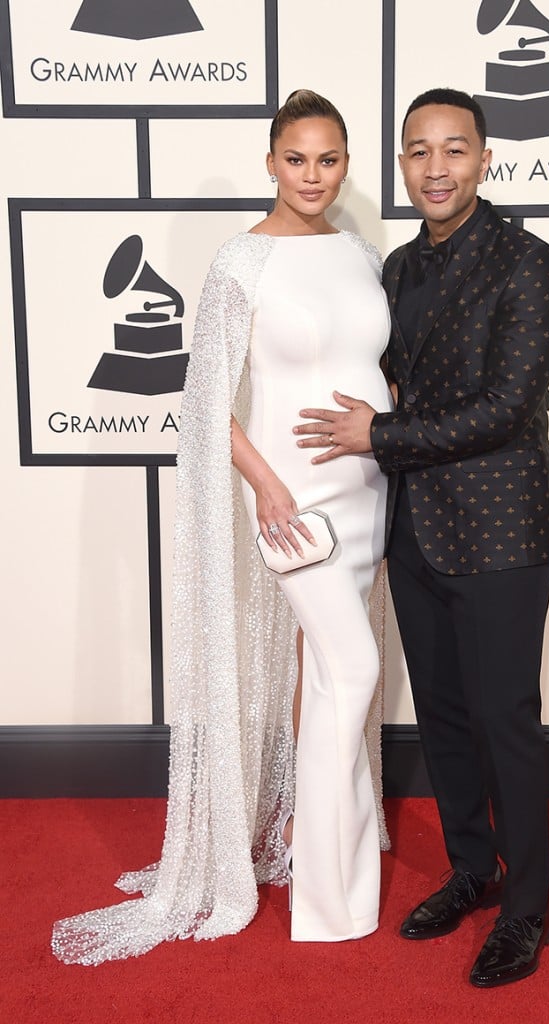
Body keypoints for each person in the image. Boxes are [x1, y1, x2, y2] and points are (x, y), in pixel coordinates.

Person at [52, 90, 393, 964]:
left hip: (368, 490)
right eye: (296, 159)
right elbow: (204, 399)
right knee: (353, 669)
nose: (312, 176)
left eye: (328, 160)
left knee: (330, 674)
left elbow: (373, 362)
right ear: (270, 162)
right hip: (293, 497)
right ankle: (331, 895)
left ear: (345, 165)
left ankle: (318, 847)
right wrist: (266, 487)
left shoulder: (359, 254)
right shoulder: (242, 260)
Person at [293, 87, 549, 987]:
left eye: (455, 149)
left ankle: (526, 911)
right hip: (414, 527)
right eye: (419, 151)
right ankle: (471, 872)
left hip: (501, 533)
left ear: (485, 159)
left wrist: (377, 434)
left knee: (505, 721)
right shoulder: (399, 269)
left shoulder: (531, 263)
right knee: (443, 717)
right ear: (404, 164)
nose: (437, 167)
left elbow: (507, 407)